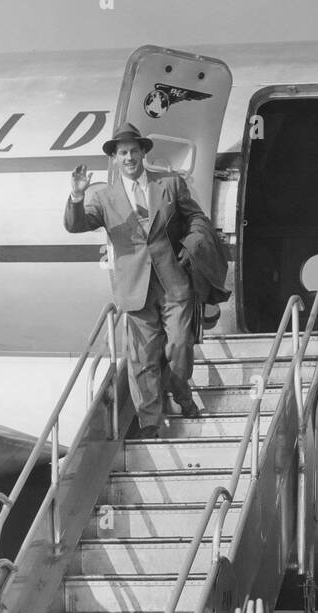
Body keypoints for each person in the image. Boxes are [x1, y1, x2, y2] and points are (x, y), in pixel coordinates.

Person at [64, 123, 212, 439]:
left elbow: (197, 218)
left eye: (133, 150)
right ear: (115, 159)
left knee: (180, 346)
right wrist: (77, 196)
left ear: (144, 152)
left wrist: (192, 243)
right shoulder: (104, 198)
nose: (129, 157)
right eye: (122, 153)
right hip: (134, 288)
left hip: (173, 281)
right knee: (143, 360)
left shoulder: (170, 185)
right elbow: (76, 225)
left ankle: (179, 388)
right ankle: (151, 423)